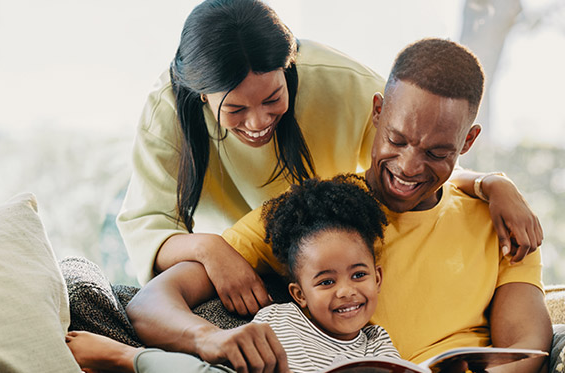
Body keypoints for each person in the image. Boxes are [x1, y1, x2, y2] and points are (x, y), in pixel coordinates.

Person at [124, 37, 565, 373]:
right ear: (377, 112)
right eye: (396, 141)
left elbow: (528, 342)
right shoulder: (316, 219)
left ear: (469, 142)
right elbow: (150, 303)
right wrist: (207, 338)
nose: (409, 167)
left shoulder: (495, 217)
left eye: (438, 152)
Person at [117, 0, 542, 316]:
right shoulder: (168, 110)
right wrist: (211, 250)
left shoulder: (344, 84)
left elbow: (415, 163)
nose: (258, 122)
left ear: (289, 67)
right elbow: (147, 225)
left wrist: (491, 184)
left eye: (272, 99)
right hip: (242, 256)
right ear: (201, 96)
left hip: (329, 266)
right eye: (235, 110)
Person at [0, 175, 403, 373]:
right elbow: (220, 369)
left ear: (378, 278)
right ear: (299, 294)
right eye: (325, 282)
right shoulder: (277, 318)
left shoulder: (377, 343)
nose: (346, 291)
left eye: (358, 275)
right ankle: (126, 360)